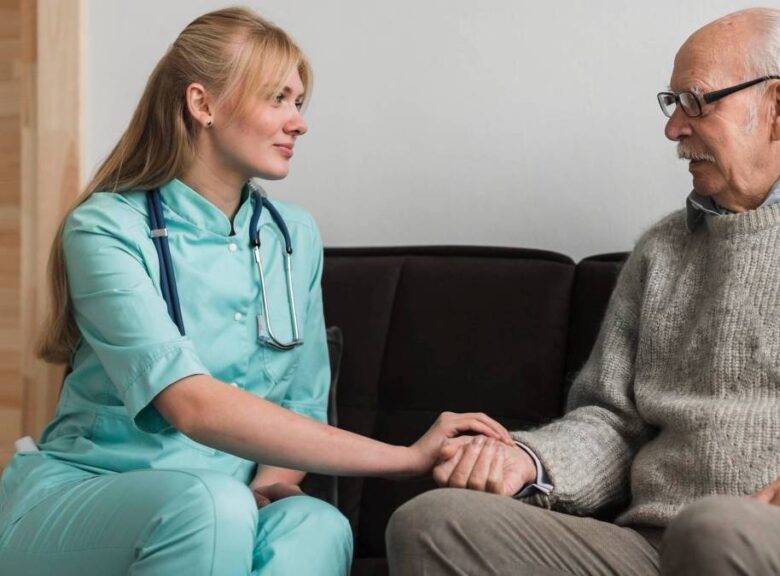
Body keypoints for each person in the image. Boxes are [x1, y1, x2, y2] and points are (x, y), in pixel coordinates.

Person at [386, 7, 780, 576]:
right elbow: (612, 424)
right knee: (432, 523)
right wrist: (529, 460)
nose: (673, 129)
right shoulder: (662, 251)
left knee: (714, 529)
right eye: (672, 103)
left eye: (696, 102)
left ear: (776, 105)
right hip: (656, 547)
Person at [0, 8, 512, 576]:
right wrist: (403, 458)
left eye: (299, 103)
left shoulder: (294, 238)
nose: (299, 123)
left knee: (316, 526)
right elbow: (191, 405)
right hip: (87, 497)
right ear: (203, 104)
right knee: (210, 504)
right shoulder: (106, 228)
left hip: (223, 504)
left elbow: (301, 400)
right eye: (278, 99)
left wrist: (268, 487)